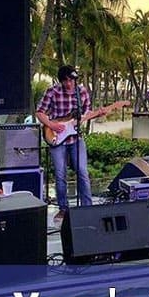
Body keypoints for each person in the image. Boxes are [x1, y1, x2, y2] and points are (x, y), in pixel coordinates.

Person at [37, 65, 106, 223]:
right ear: (61, 81)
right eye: (65, 80)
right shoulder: (52, 92)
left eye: (71, 80)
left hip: (75, 138)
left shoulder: (81, 92)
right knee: (60, 174)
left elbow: (87, 113)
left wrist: (98, 113)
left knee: (82, 171)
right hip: (56, 137)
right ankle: (63, 209)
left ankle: (88, 208)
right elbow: (40, 112)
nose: (69, 83)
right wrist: (52, 125)